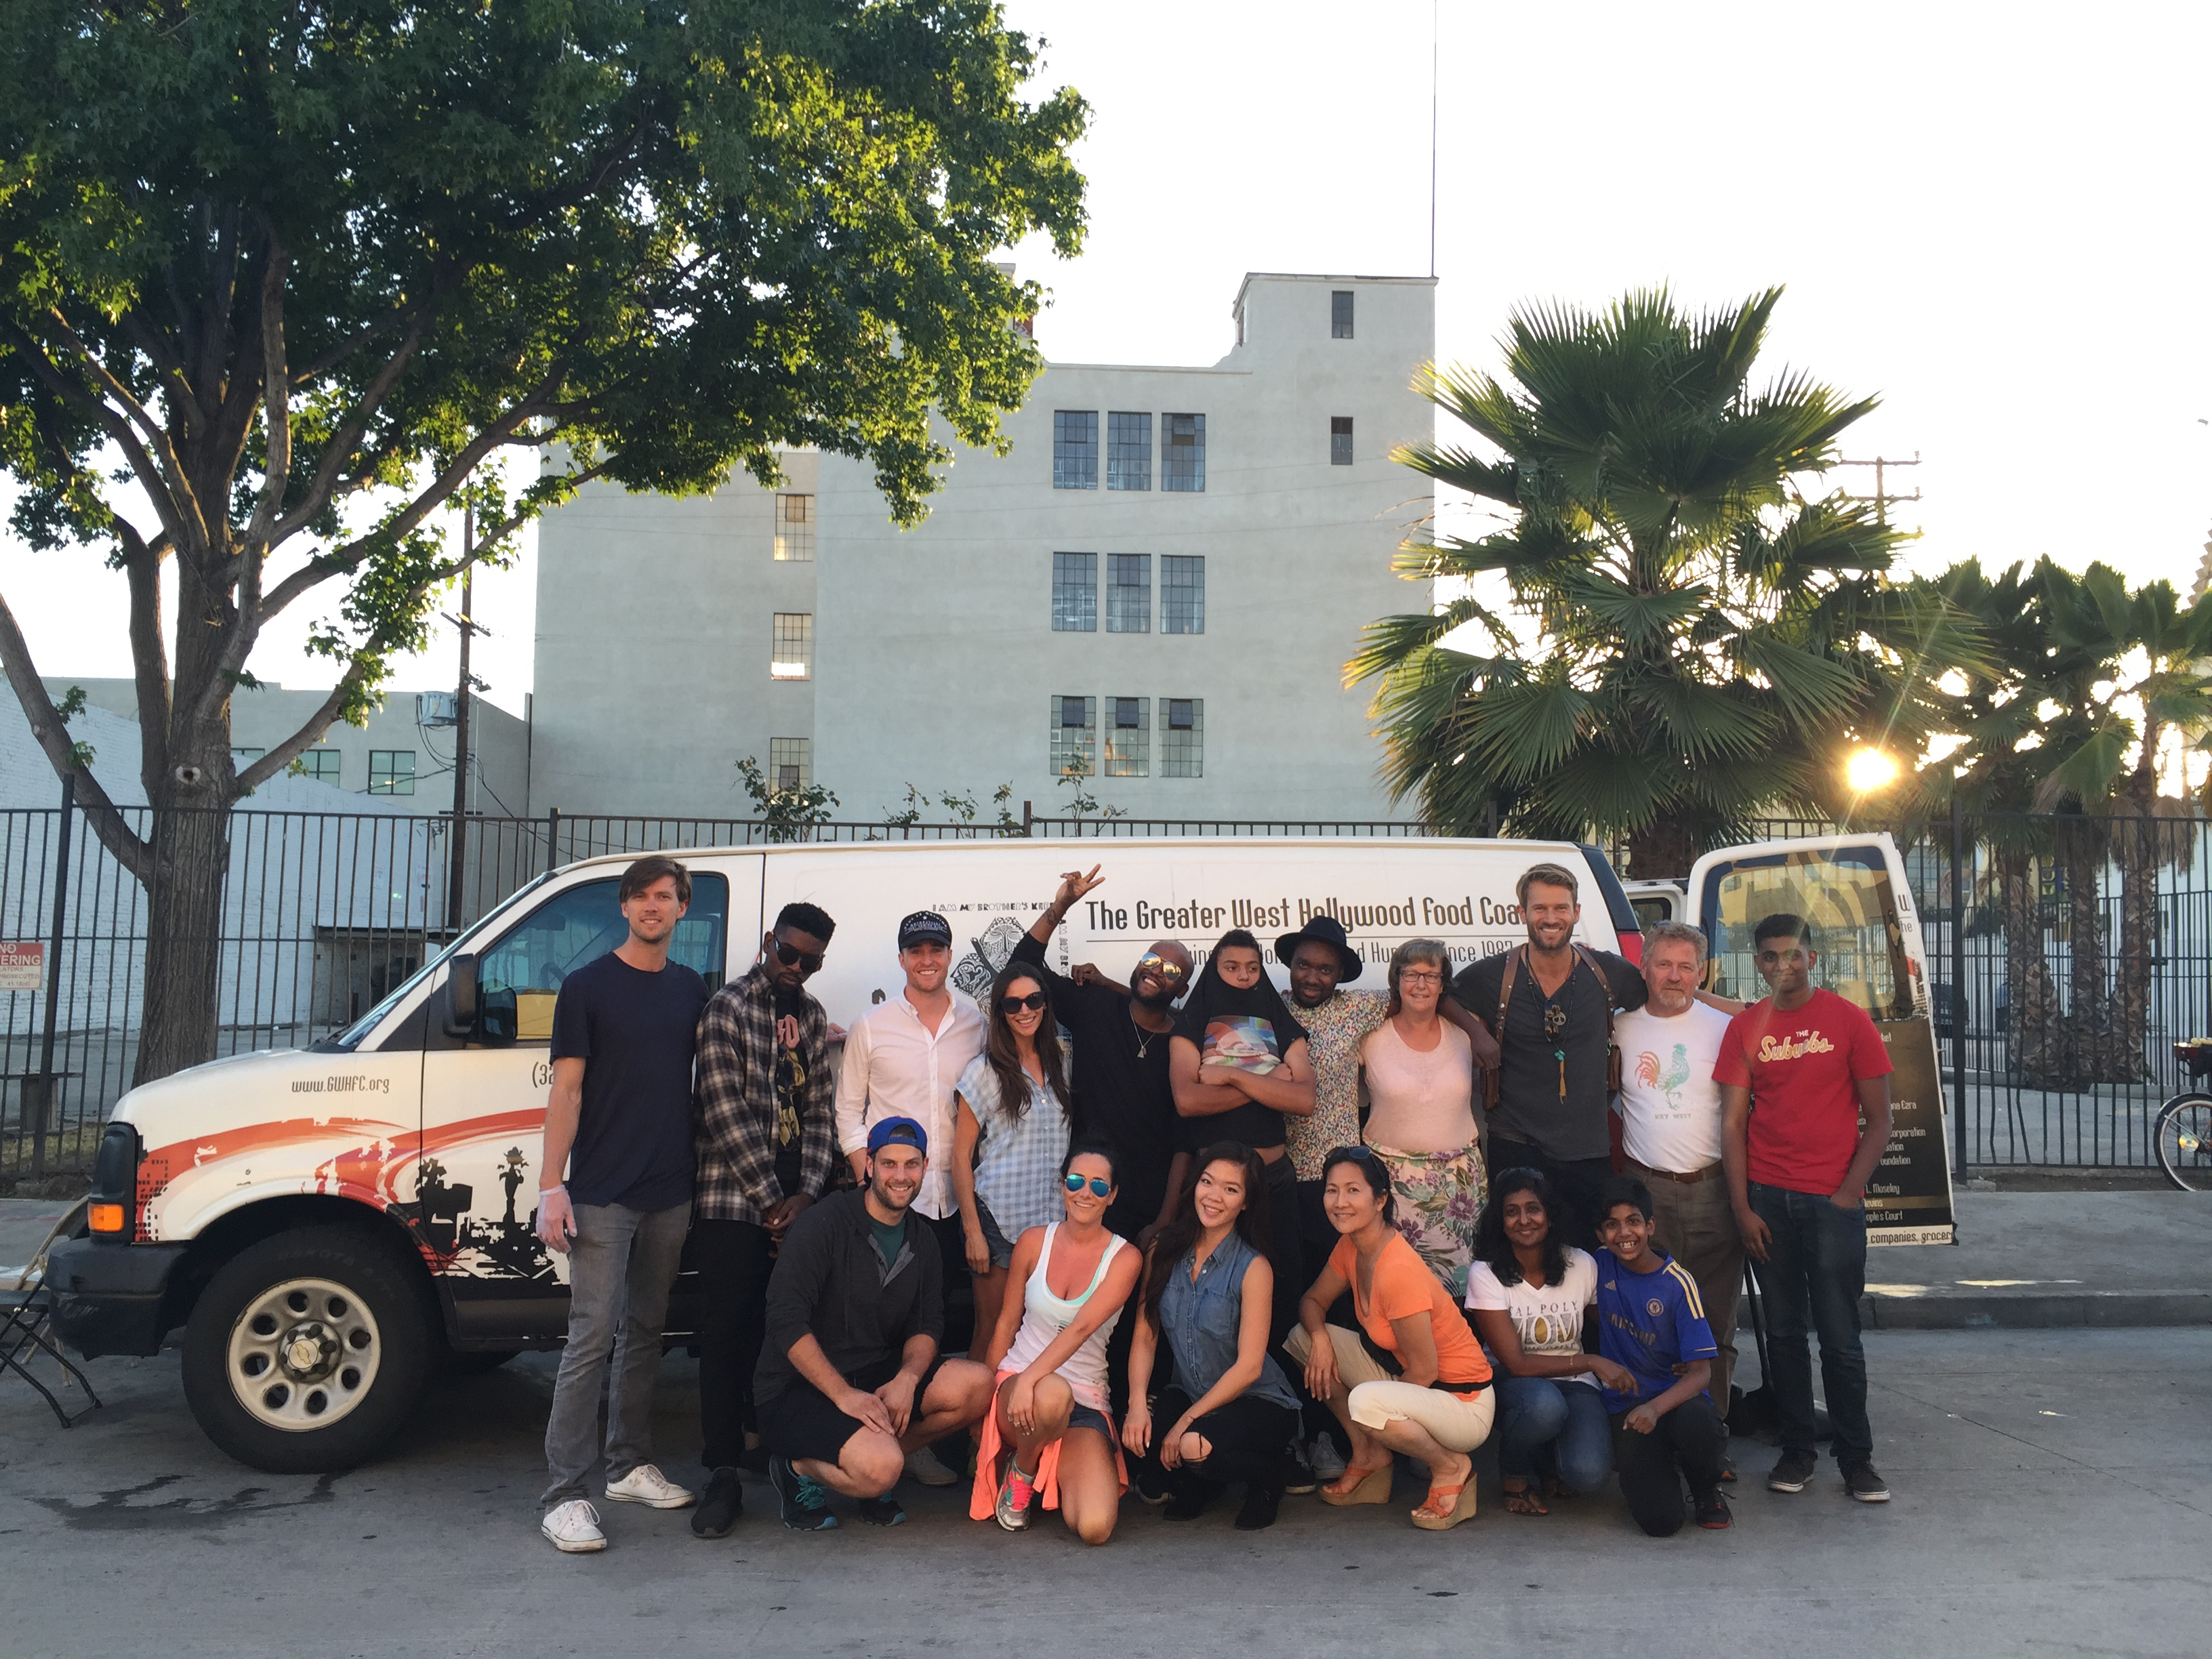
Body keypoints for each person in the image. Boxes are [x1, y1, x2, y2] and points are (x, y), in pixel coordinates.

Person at [534, 855, 712, 1554]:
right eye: (641, 895)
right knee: (590, 1340)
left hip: (671, 1189)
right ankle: (563, 1497)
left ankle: (628, 1465)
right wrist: (554, 1186)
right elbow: (567, 1092)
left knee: (645, 1333)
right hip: (602, 1192)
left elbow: (726, 1054)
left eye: (665, 896)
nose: (652, 906)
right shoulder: (586, 987)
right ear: (625, 906)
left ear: (681, 910)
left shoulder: (691, 989)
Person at [1717, 912, 1895, 1504]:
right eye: (1769, 956)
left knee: (1841, 1339)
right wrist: (1742, 1208)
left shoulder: (1848, 1022)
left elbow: (1881, 1120)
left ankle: (1856, 1459)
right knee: (1785, 1336)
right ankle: (1796, 1452)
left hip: (1832, 1205)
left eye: (1793, 954)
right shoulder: (1745, 1029)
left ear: (1812, 959)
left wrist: (1846, 1195)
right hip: (1769, 1200)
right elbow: (1735, 1123)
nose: (1782, 965)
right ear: (1758, 963)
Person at [755, 1118, 995, 1530]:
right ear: (868, 1165)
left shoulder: (922, 1240)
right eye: (889, 1164)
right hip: (798, 1387)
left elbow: (927, 1324)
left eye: (911, 1164)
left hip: (871, 1375)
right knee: (882, 1469)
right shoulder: (824, 1224)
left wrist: (907, 1378)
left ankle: (875, 1458)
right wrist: (843, 1395)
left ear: (924, 1167)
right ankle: (798, 1469)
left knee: (978, 1385)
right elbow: (785, 1318)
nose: (900, 1176)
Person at [689, 899, 840, 1538]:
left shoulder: (812, 1016)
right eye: (787, 952)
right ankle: (721, 1472)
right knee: (724, 1337)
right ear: (768, 942)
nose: (795, 967)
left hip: (792, 1209)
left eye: (809, 960)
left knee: (776, 1334)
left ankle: (765, 1449)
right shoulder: (728, 1007)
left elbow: (819, 1113)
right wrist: (770, 1201)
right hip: (732, 1202)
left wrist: (804, 1195)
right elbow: (720, 1107)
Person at [832, 909, 987, 1486]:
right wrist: (868, 1178)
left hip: (951, 1203)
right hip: (891, 1203)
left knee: (936, 1321)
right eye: (916, 950)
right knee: (880, 1324)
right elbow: (848, 1111)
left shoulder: (976, 1022)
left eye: (937, 950)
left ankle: (917, 1439)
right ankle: (871, 1433)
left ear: (949, 956)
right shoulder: (872, 1025)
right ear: (901, 958)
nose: (927, 960)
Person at [1287, 1146, 1495, 1530]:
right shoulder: (1352, 1245)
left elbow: (1425, 1369)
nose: (1339, 1202)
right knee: (1301, 1339)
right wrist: (1319, 1337)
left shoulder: (1396, 1269)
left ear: (1380, 1200)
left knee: (1366, 1403)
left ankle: (1451, 1468)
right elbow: (1313, 1301)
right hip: (1414, 1382)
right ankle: (1368, 1457)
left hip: (1463, 1401)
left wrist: (1379, 1417)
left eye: (1353, 1191)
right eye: (1332, 1190)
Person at [1452, 862, 1653, 1249]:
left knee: (1589, 1260)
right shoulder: (1495, 975)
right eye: (1539, 908)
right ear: (1521, 914)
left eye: (1561, 908)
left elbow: (1668, 993)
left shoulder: (1607, 972)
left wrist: (1743, 1008)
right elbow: (1440, 993)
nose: (1550, 918)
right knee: (1519, 1257)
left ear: (1577, 913)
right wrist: (1477, 1033)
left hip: (1587, 1149)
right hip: (1516, 1143)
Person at [1124, 1142, 1305, 1530]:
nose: (1214, 1196)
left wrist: (1184, 1422)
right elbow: (1145, 1334)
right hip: (1190, 1392)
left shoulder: (1254, 1267)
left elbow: (1250, 1368)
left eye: (1231, 1189)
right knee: (1146, 1429)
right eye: (1208, 1182)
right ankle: (1203, 1481)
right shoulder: (1163, 1249)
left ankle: (1271, 1473)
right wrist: (1137, 1403)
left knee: (1190, 1444)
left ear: (1245, 1203)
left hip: (1256, 1400)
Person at [1010, 868, 1191, 1251]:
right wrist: (1061, 906)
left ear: (1183, 989)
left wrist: (1165, 1219)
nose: (1156, 970)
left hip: (1149, 1204)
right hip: (1087, 1194)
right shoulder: (1095, 1005)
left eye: (1171, 970)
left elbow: (1183, 1143)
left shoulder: (1183, 1043)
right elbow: (1022, 967)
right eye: (1151, 958)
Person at [970, 1141, 1143, 1542]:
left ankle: (1040, 1462)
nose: (1086, 1192)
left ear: (1112, 1196)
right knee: (1051, 1393)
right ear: (1062, 1185)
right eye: (1077, 1181)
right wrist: (989, 1399)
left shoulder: (1126, 1257)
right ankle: (1024, 1470)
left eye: (1099, 1186)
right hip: (1020, 1387)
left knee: (1095, 1528)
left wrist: (1033, 1379)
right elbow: (1006, 1323)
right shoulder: (1034, 1242)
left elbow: (1083, 1327)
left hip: (1082, 1400)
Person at [1612, 919, 1744, 1422]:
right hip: (1649, 1194)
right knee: (1651, 1320)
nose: (1673, 976)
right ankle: (1654, 1431)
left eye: (1685, 967)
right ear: (1643, 968)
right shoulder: (1620, 1029)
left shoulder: (1727, 1027)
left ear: (1701, 972)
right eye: (1663, 964)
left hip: (1714, 1191)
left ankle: (1712, 1434)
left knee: (1714, 1323)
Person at [1169, 929, 1316, 1339]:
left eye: (1252, 968)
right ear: (1215, 969)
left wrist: (1229, 1075)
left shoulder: (1278, 1019)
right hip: (1213, 1188)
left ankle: (1282, 1395)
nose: (1243, 976)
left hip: (1275, 1183)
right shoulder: (1192, 1022)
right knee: (1214, 1293)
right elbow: (1187, 1100)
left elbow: (1303, 1098)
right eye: (1231, 967)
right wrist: (1270, 1083)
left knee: (1284, 1289)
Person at [1466, 1167, 1622, 1516]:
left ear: (1550, 1215)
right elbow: (1517, 1364)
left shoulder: (1581, 1263)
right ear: (1500, 1221)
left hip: (1575, 1386)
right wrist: (1593, 1362)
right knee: (1544, 1408)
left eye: (1533, 1208)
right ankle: (1514, 1475)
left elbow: (1612, 1325)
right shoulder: (1486, 1273)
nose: (1524, 1220)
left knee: (1588, 1474)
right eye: (1512, 1211)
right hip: (1514, 1384)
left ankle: (1549, 1463)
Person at [1592, 1175, 1732, 1536]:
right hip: (1628, 1407)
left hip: (1674, 1402)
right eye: (1612, 1225)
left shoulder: (1677, 1284)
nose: (1624, 1233)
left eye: (1634, 1221)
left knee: (1698, 1424)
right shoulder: (1598, 1267)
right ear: (1600, 1234)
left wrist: (1655, 1408)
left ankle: (1705, 1488)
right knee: (1661, 1523)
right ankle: (1661, 1467)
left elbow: (1701, 1373)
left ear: (1650, 1226)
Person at [951, 961, 1076, 1363]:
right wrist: (972, 1230)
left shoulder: (1063, 1063)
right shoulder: (983, 1071)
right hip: (999, 1222)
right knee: (992, 1329)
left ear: (1045, 1003)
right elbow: (960, 1156)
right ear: (1000, 1012)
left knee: (1038, 1330)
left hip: (1052, 1223)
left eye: (1033, 1000)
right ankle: (975, 1423)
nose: (1025, 1011)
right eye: (1013, 1003)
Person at [1359, 939, 1483, 1299]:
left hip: (1459, 1187)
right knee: (1400, 1292)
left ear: (1444, 984)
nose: (1421, 984)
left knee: (1461, 1296)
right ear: (1396, 979)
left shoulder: (1465, 1035)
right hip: (1393, 1187)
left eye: (1431, 975)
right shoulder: (1369, 1037)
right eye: (1411, 974)